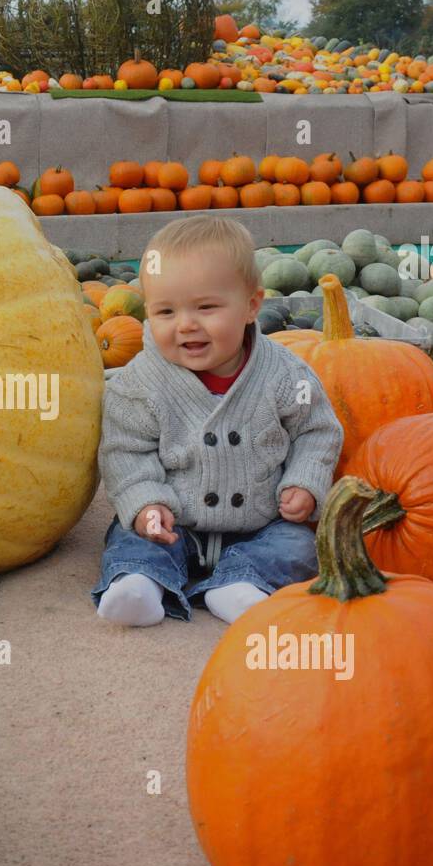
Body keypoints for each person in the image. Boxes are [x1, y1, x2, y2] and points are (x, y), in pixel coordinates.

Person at [92, 215, 343, 626]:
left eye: (206, 307)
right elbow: (126, 453)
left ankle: (239, 586)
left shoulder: (284, 375)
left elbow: (316, 432)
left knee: (300, 547)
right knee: (130, 538)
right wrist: (145, 504)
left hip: (260, 524)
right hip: (176, 524)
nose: (186, 324)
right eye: (166, 311)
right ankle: (138, 586)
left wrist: (305, 482)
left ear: (251, 306)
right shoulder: (138, 384)